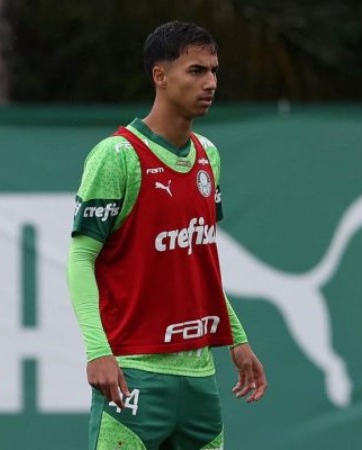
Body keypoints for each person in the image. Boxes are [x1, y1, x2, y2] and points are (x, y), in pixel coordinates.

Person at [67, 21, 267, 449]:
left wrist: (237, 338)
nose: (211, 82)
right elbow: (80, 258)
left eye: (214, 70)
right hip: (134, 372)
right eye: (196, 71)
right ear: (160, 76)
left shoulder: (207, 156)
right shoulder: (117, 155)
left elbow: (197, 264)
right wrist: (97, 350)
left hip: (200, 380)